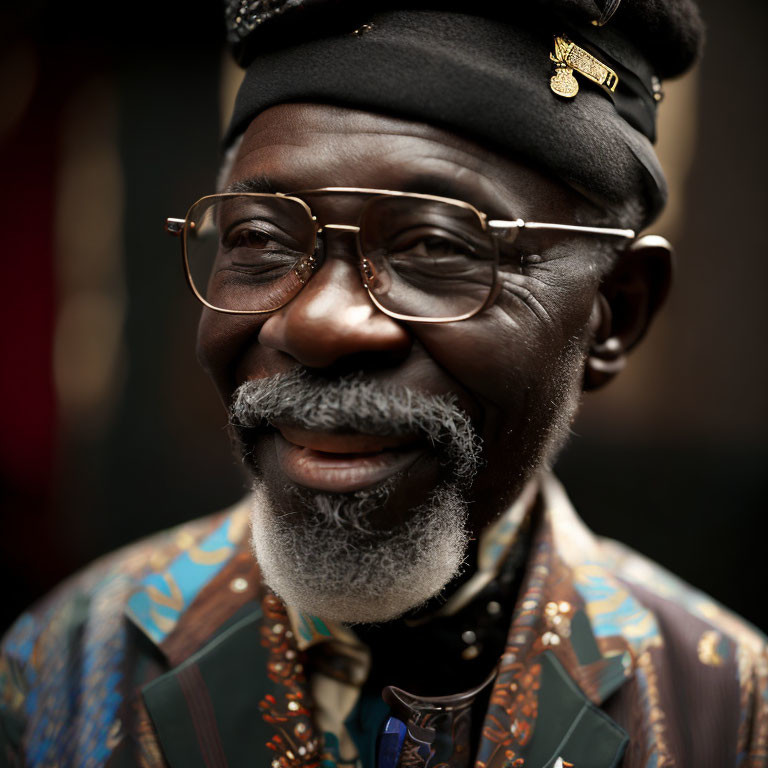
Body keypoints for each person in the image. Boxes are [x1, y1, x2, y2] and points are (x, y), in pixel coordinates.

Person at [1, 1, 766, 766]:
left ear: (614, 312)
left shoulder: (732, 716)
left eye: (436, 246)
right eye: (261, 238)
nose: (320, 325)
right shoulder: (59, 671)